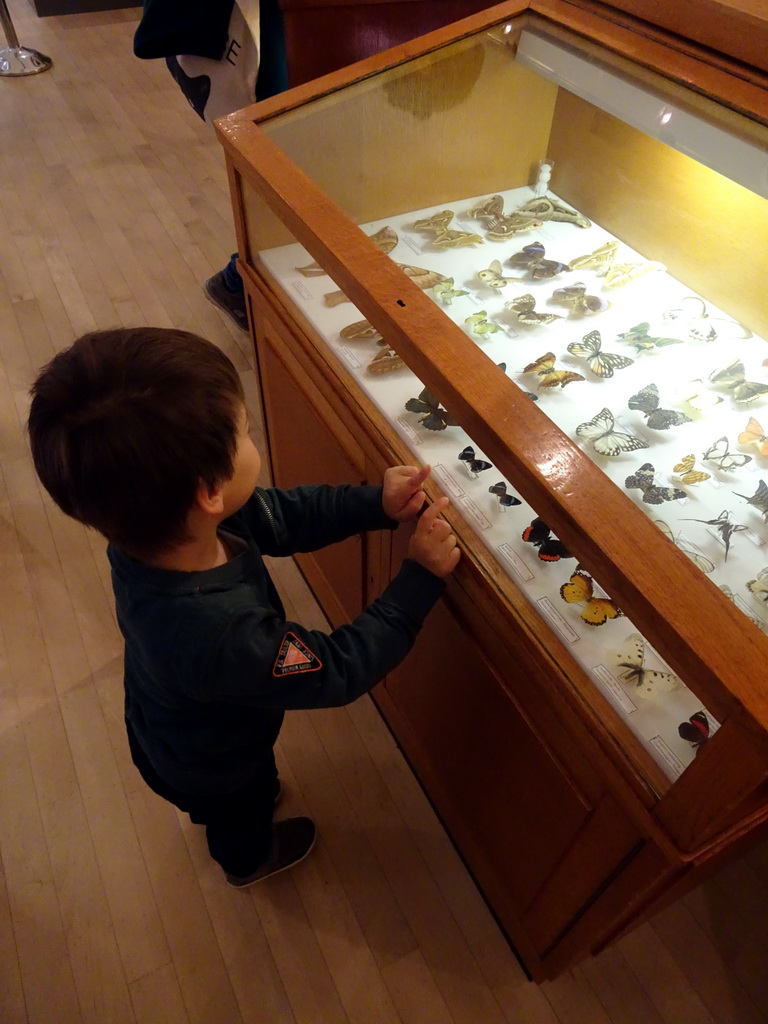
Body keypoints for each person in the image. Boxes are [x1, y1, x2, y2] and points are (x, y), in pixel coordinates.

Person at [27, 327, 460, 887]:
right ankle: (245, 860)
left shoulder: (155, 528)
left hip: (174, 724)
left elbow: (282, 516)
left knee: (239, 786)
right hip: (212, 761)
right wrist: (419, 579)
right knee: (239, 810)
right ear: (209, 490)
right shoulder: (219, 633)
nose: (253, 442)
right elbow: (336, 668)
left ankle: (238, 807)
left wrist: (372, 504)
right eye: (246, 434)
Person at [133, 0, 289, 332]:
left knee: (290, 165)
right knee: (285, 167)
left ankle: (243, 279)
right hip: (258, 24)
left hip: (281, 24)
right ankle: (239, 280)